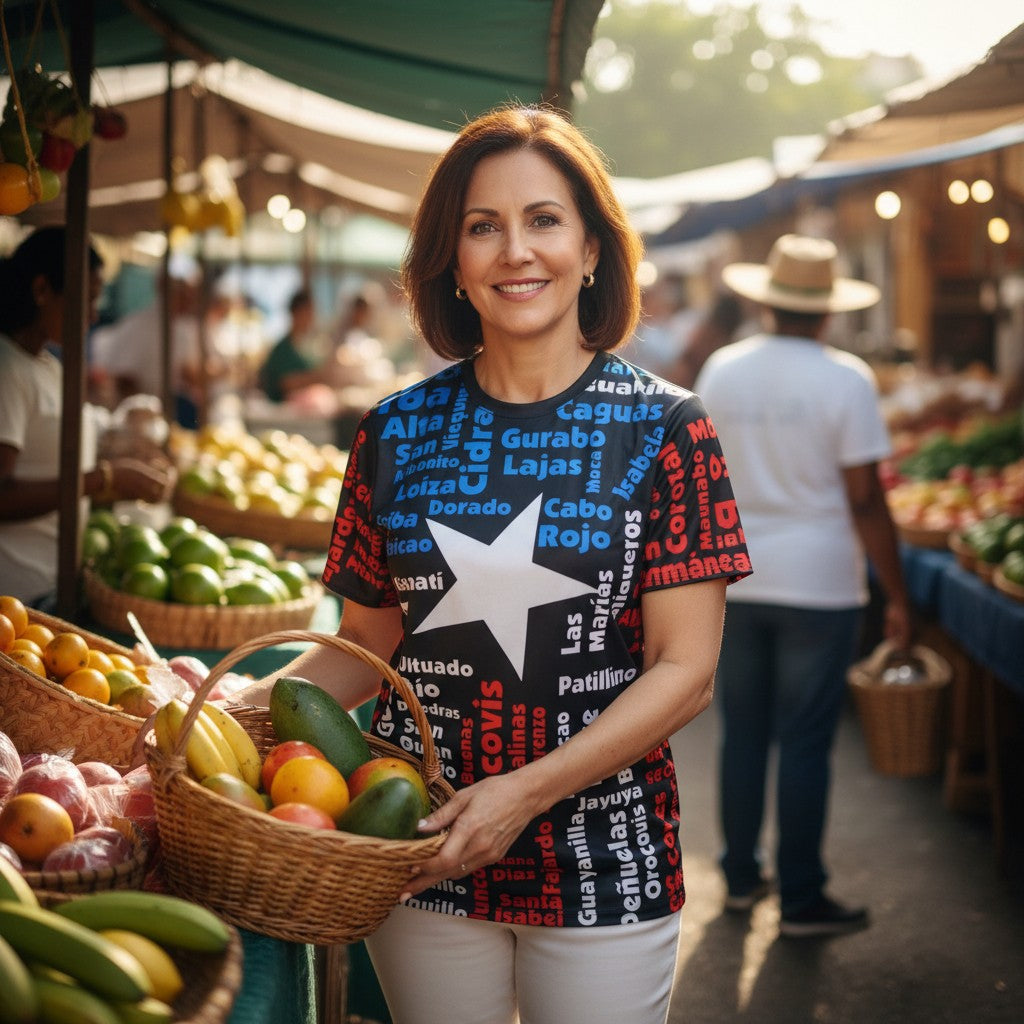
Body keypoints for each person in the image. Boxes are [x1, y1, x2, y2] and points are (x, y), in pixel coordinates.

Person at [233, 104, 751, 1024]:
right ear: (454, 262)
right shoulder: (393, 432)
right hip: (414, 841)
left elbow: (687, 669)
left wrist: (521, 795)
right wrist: (229, 712)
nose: (516, 251)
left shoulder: (668, 430)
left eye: (544, 219)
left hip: (601, 855)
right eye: (484, 226)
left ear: (592, 250)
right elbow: (364, 645)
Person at [694, 234, 912, 938]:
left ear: (768, 302)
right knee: (806, 742)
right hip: (820, 584)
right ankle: (802, 896)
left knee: (743, 735)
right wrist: (900, 596)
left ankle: (736, 878)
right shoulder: (845, 379)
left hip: (734, 579)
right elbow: (866, 499)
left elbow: (700, 479)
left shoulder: (722, 370)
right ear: (825, 314)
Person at [0, 226, 176, 607]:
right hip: (15, 598)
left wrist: (126, 444)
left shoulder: (44, 365)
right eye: (88, 300)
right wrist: (103, 479)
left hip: (51, 586)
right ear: (42, 290)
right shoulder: (7, 369)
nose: (94, 315)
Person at [89, 271, 205, 427]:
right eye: (185, 295)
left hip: (158, 412)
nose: (191, 301)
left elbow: (186, 372)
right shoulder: (140, 326)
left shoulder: (179, 329)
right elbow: (123, 378)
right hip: (133, 419)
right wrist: (143, 407)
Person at [256, 287, 320, 403]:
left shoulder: (305, 346)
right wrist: (322, 377)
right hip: (281, 414)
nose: (311, 318)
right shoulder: (282, 349)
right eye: (309, 313)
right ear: (296, 313)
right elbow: (286, 384)